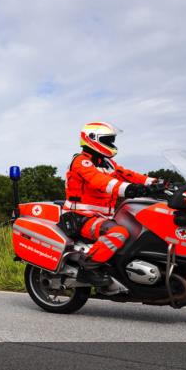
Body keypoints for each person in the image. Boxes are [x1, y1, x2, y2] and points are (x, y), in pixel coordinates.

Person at [64, 122, 162, 293]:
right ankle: (89, 268)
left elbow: (129, 175)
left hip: (102, 217)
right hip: (80, 217)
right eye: (107, 140)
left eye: (111, 140)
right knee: (118, 233)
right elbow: (101, 182)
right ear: (92, 139)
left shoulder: (107, 163)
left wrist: (156, 182)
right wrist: (128, 189)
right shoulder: (81, 162)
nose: (111, 144)